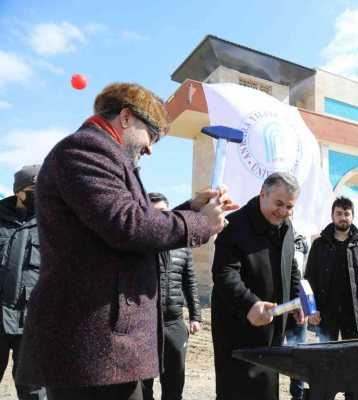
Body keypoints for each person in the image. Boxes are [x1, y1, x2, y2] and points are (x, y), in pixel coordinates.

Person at [16, 83, 235, 400]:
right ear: (127, 117)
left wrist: (192, 209)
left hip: (105, 349)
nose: (150, 148)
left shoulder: (104, 156)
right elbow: (128, 226)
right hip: (90, 346)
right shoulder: (85, 151)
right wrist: (201, 223)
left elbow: (133, 219)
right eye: (152, 135)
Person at [211, 172, 304, 400]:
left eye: (289, 206)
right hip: (237, 329)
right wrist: (249, 305)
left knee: (266, 390)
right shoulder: (234, 225)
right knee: (238, 391)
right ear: (263, 194)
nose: (283, 211)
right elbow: (224, 274)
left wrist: (296, 297)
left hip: (271, 330)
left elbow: (290, 265)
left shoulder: (287, 226)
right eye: (279, 204)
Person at [304, 196, 358, 400]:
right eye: (339, 213)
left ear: (352, 216)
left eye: (347, 213)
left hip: (353, 312)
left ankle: (352, 396)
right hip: (326, 313)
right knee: (325, 360)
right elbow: (308, 279)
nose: (343, 217)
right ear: (332, 216)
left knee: (352, 360)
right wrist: (311, 310)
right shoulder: (320, 244)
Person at [142, 193, 203, 400]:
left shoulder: (182, 247)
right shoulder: (140, 247)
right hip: (145, 326)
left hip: (174, 323)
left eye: (165, 213)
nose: (161, 218)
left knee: (174, 383)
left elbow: (190, 282)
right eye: (155, 213)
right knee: (143, 386)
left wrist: (196, 317)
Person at [0, 165, 45, 400]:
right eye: (34, 190)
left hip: (32, 323)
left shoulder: (53, 225)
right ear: (19, 191)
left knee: (34, 390)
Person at [286, 232, 310, 400]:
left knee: (299, 352)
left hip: (297, 303)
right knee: (270, 353)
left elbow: (305, 275)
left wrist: (307, 304)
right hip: (275, 305)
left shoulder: (302, 242)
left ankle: (298, 394)